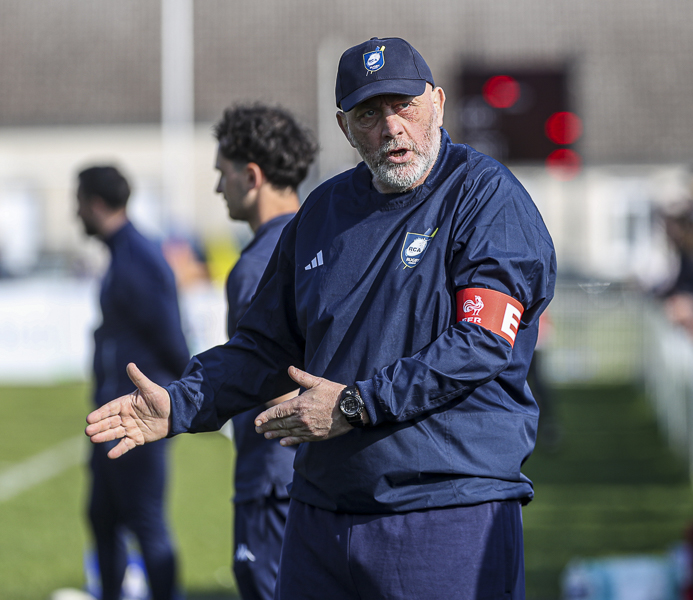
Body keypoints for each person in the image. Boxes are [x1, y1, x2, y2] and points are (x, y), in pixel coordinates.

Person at [85, 37, 556, 600]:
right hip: (319, 518)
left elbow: (478, 343)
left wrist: (356, 405)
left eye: (403, 105)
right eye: (368, 113)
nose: (390, 127)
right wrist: (181, 401)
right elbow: (264, 348)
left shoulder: (484, 197)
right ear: (343, 125)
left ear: (438, 102)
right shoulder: (321, 212)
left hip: (447, 512)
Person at [212, 102, 317, 600]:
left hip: (273, 479)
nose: (218, 188)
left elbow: (270, 378)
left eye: (223, 174)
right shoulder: (322, 243)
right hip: (308, 479)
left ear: (251, 176)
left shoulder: (258, 265)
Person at [76, 165, 190, 600]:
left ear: (94, 203)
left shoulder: (138, 259)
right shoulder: (122, 254)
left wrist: (186, 401)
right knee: (102, 517)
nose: (75, 213)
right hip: (110, 414)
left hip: (136, 419)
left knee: (145, 521)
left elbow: (172, 340)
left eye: (78, 202)